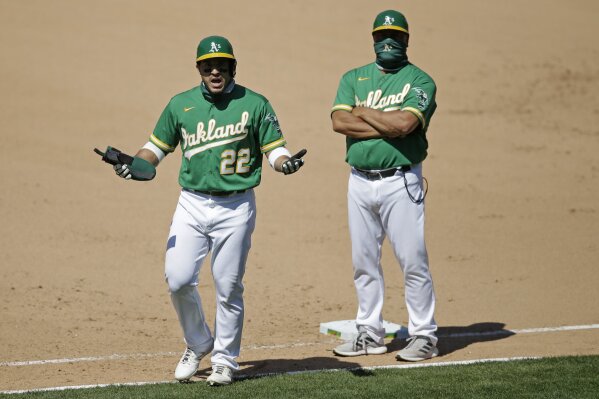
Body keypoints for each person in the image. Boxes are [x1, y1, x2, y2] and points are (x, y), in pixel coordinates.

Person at [111, 35, 306, 385]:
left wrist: (285, 163)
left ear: (233, 67)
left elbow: (275, 149)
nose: (215, 71)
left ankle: (225, 360)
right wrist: (132, 165)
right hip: (192, 204)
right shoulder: (180, 105)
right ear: (199, 69)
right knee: (178, 278)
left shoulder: (255, 104)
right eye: (207, 66)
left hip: (236, 206)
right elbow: (153, 150)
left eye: (222, 65)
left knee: (228, 285)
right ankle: (198, 340)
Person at [330, 10, 438, 362]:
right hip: (359, 181)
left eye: (395, 35)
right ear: (373, 39)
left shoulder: (421, 81)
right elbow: (338, 121)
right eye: (381, 36)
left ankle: (424, 335)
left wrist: (363, 113)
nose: (387, 41)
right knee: (364, 261)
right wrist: (384, 124)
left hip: (401, 181)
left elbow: (406, 124)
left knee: (413, 260)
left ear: (407, 39)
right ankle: (370, 332)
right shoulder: (353, 77)